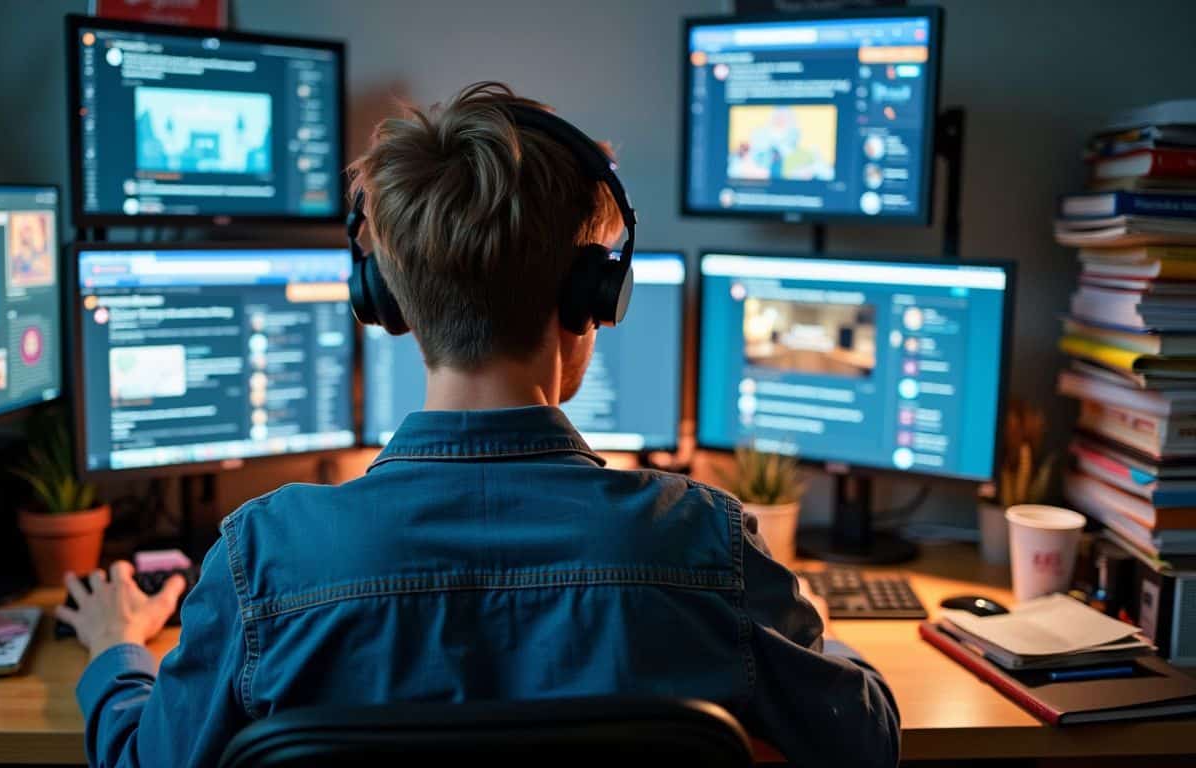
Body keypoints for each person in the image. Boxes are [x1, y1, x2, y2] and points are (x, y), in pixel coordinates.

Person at [59, 82, 900, 768]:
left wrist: (114, 652)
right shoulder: (700, 544)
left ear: (387, 303)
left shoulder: (264, 560)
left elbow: (143, 762)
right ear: (590, 301)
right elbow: (863, 743)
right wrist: (810, 633)